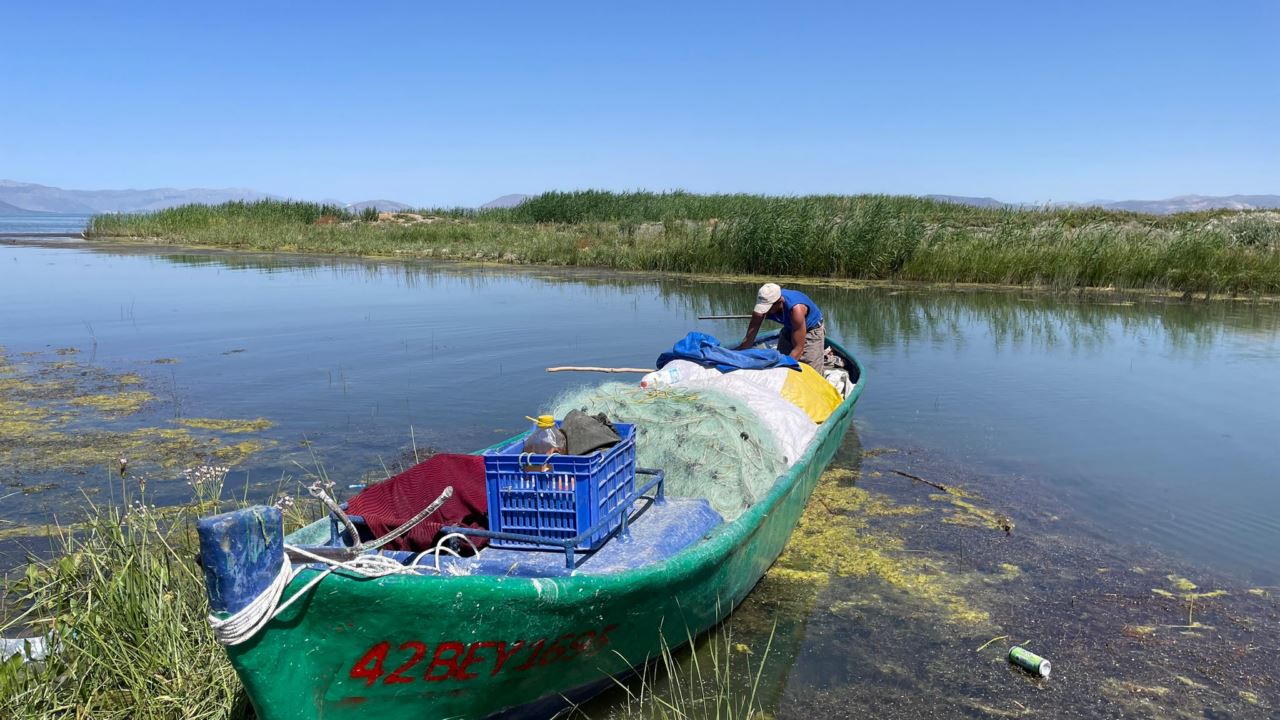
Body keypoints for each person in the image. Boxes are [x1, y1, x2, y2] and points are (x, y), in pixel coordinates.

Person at [735, 282, 826, 371]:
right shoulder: (762, 306)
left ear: (780, 302)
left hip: (811, 329)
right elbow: (749, 338)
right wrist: (737, 358)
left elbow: (798, 348)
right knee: (780, 359)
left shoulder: (796, 310)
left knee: (810, 370)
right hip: (789, 326)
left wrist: (784, 371)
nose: (765, 311)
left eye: (768, 308)